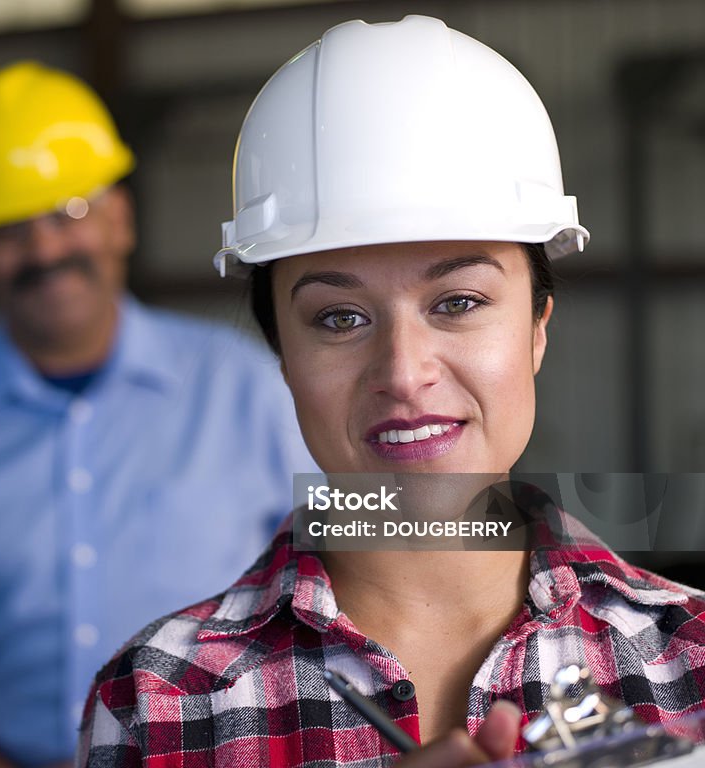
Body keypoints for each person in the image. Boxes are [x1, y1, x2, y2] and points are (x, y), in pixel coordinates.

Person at [78, 16, 705, 767]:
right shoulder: (159, 703)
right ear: (282, 355)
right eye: (339, 318)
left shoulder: (690, 663)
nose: (405, 373)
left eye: (458, 302)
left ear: (538, 326)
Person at [0, 61, 315, 768]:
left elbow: (382, 555)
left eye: (68, 213)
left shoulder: (252, 389)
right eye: (8, 230)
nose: (46, 250)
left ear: (120, 216)